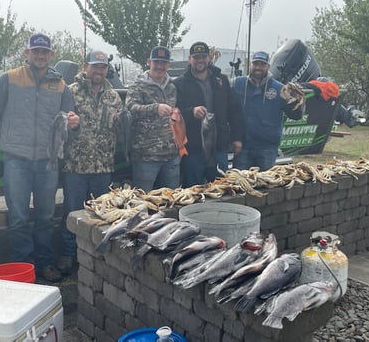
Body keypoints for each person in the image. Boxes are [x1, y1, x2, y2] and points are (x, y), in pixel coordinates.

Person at [0, 33, 79, 282]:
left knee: (45, 216)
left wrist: (75, 124)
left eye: (45, 52)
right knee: (19, 217)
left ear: (51, 54)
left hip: (48, 161)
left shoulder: (61, 85)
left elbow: (69, 123)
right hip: (16, 159)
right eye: (36, 51)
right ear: (27, 52)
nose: (40, 56)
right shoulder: (8, 79)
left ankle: (43, 263)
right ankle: (24, 266)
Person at [58, 50, 123, 274]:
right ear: (85, 67)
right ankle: (68, 254)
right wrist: (70, 124)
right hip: (76, 165)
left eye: (102, 67)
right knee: (73, 212)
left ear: (107, 70)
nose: (98, 71)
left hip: (103, 166)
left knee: (99, 214)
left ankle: (96, 254)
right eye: (95, 66)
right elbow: (59, 125)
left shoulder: (113, 96)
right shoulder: (70, 92)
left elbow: (120, 127)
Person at [174, 41, 239, 188]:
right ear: (190, 59)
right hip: (193, 149)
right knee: (193, 190)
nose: (200, 60)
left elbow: (233, 110)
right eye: (196, 57)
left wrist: (237, 138)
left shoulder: (221, 80)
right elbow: (175, 111)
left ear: (209, 58)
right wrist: (191, 112)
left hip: (219, 147)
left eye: (203, 57)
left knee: (223, 190)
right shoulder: (180, 83)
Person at [231, 51, 305, 171]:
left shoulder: (280, 88)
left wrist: (299, 100)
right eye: (255, 64)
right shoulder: (237, 84)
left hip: (267, 148)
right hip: (243, 146)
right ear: (250, 65)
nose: (258, 67)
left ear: (268, 67)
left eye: (262, 64)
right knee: (240, 184)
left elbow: (295, 115)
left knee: (266, 185)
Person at [125, 45, 180, 192]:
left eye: (164, 63)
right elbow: (131, 109)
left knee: (171, 201)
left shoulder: (172, 87)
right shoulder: (137, 86)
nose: (160, 66)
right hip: (146, 156)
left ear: (168, 64)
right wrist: (155, 108)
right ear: (148, 62)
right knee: (143, 202)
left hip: (171, 155)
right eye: (156, 62)